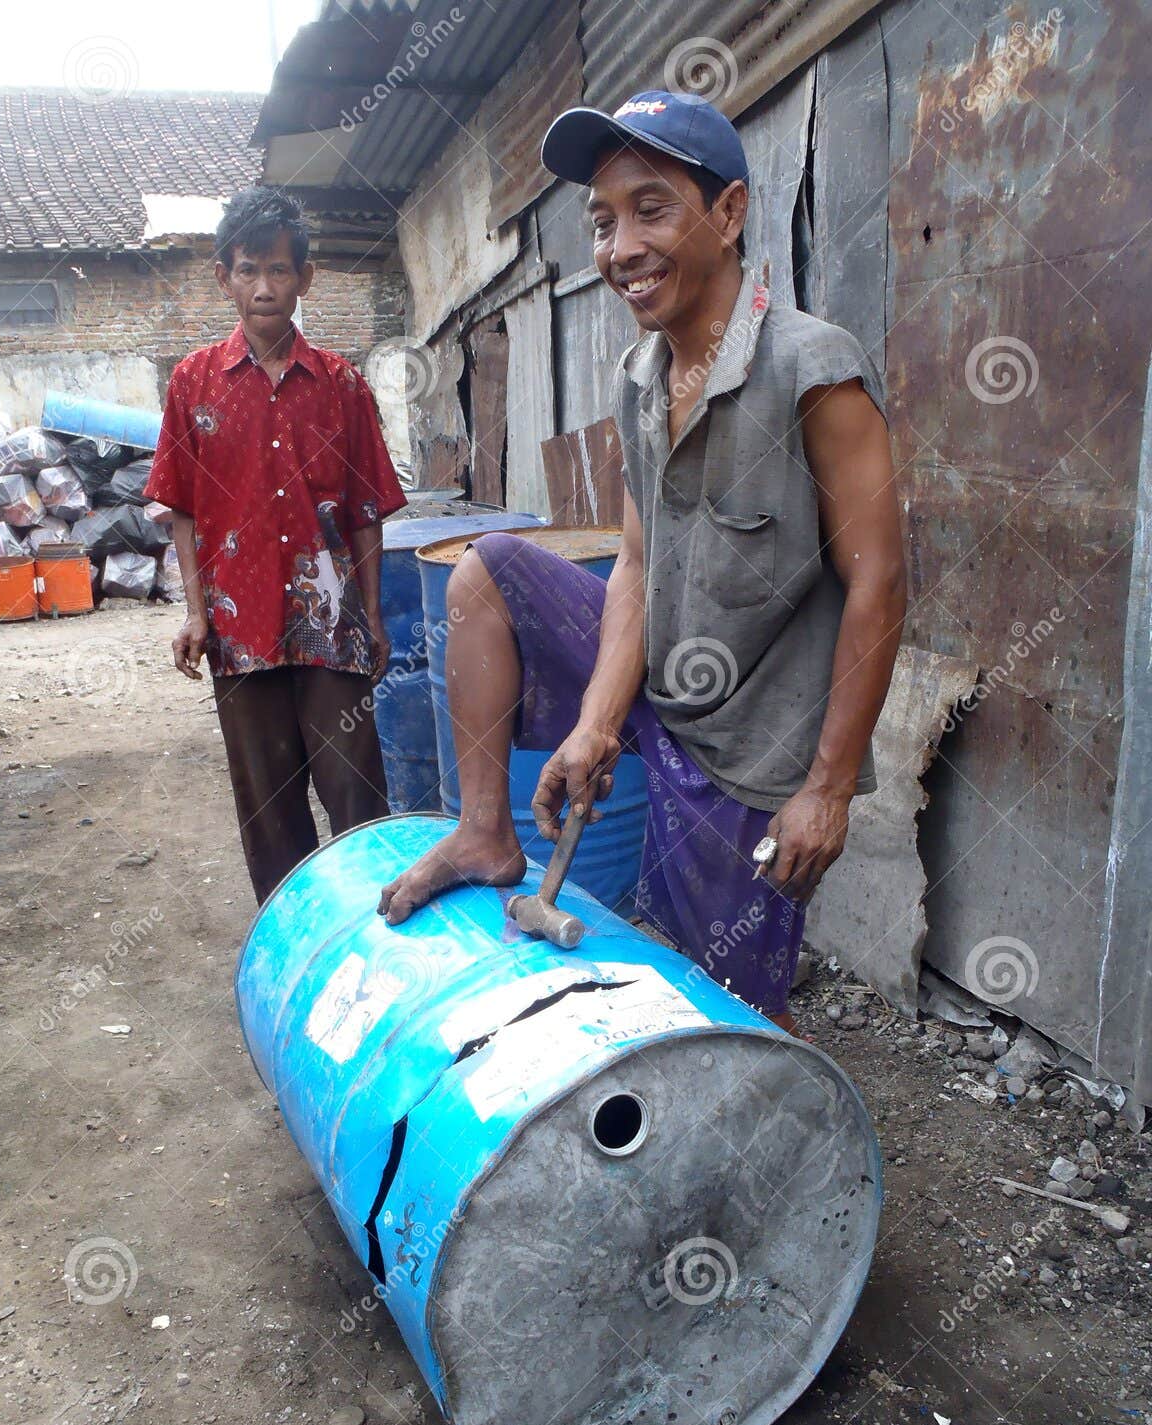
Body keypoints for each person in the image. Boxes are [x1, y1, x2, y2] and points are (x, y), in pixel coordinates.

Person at [378, 91, 906, 1031]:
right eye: (603, 221)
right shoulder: (639, 378)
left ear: (729, 214)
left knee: (722, 1016)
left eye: (651, 210)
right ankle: (485, 833)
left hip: (752, 754)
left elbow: (881, 584)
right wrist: (594, 726)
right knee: (485, 570)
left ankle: (758, 1096)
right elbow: (634, 565)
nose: (621, 248)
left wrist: (826, 790)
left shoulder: (813, 370)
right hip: (661, 694)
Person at [146, 186, 406, 904]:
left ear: (305, 279)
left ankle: (376, 931)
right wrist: (196, 614)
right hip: (240, 631)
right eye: (249, 270)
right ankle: (294, 941)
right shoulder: (193, 383)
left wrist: (373, 615)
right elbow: (183, 511)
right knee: (269, 812)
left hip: (333, 629)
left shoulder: (342, 385)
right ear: (224, 277)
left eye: (280, 270)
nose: (265, 287)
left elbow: (365, 512)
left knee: (357, 795)